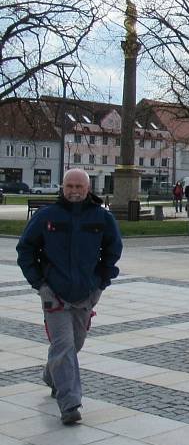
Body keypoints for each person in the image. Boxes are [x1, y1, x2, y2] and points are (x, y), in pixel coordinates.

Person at [16, 169, 122, 425]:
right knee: (63, 346)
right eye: (70, 186)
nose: (74, 191)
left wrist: (99, 283)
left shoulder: (102, 218)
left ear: (88, 189)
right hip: (54, 295)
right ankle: (70, 404)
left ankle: (52, 376)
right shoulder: (47, 216)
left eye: (79, 187)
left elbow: (113, 251)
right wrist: (40, 285)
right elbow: (25, 250)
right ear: (62, 187)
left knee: (74, 345)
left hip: (85, 295)